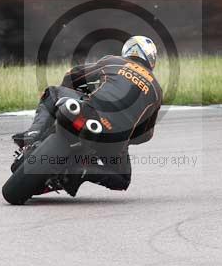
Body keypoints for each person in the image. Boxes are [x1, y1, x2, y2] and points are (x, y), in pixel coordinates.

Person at [13, 36, 163, 196]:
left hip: (91, 111)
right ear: (151, 58)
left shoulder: (114, 61)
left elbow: (73, 75)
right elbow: (146, 134)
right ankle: (82, 170)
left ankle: (33, 134)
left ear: (127, 50)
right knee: (122, 179)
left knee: (53, 92)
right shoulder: (156, 90)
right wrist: (124, 139)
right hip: (115, 139)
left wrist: (72, 92)